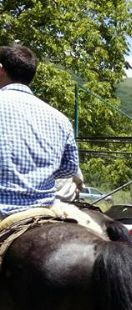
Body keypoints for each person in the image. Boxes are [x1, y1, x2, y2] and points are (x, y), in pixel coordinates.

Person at [0, 43, 81, 219]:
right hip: (44, 209)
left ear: (1, 70)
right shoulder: (60, 118)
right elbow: (70, 168)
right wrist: (39, 173)